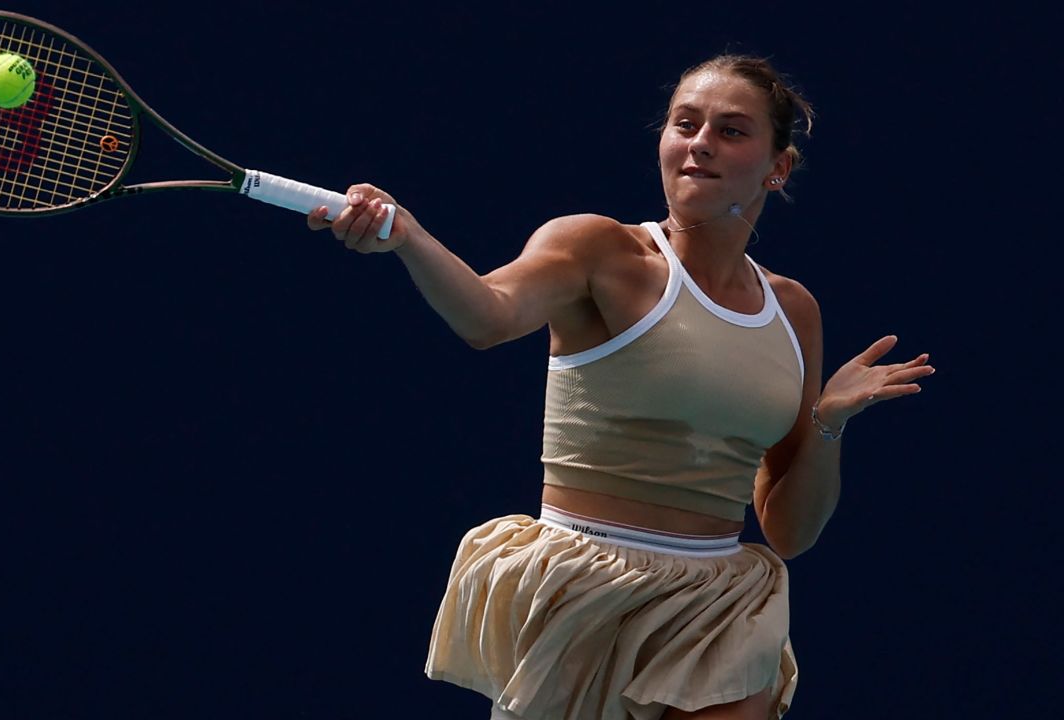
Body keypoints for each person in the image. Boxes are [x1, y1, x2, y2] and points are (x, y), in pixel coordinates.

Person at [306, 54, 933, 720]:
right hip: (585, 586)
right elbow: (488, 313)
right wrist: (408, 238)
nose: (700, 143)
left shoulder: (793, 310)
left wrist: (830, 421)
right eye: (685, 124)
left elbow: (790, 530)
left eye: (731, 130)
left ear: (777, 168)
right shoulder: (597, 249)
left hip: (720, 604)